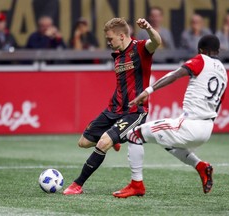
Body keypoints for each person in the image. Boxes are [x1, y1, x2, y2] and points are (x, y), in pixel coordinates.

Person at [113, 35, 228, 198]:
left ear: (200, 50)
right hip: (207, 129)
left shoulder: (201, 59)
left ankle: (136, 185)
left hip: (190, 125)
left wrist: (148, 91)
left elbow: (174, 75)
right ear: (218, 51)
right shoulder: (223, 72)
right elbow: (218, 104)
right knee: (164, 139)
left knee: (134, 135)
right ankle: (201, 166)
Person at [63, 17, 161, 195]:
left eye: (110, 39)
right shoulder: (117, 55)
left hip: (134, 111)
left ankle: (77, 184)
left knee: (103, 142)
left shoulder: (140, 48)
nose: (108, 42)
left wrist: (148, 28)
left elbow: (156, 41)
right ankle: (116, 138)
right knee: (83, 142)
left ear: (122, 36)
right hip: (113, 109)